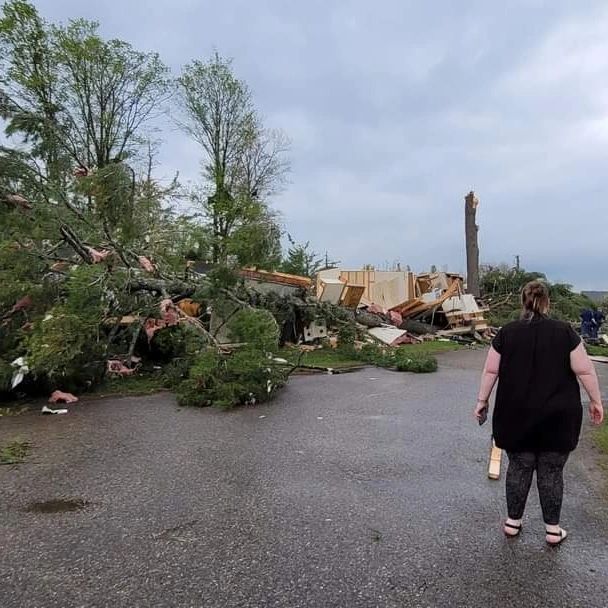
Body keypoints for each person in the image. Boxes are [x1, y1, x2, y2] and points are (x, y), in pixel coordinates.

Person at [474, 281, 604, 545]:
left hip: (515, 415)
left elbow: (490, 371)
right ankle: (553, 531)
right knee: (551, 471)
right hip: (557, 417)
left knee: (519, 467)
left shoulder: (507, 333)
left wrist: (482, 401)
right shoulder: (565, 332)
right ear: (547, 302)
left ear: (523, 301)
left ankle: (512, 523)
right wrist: (596, 401)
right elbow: (585, 370)